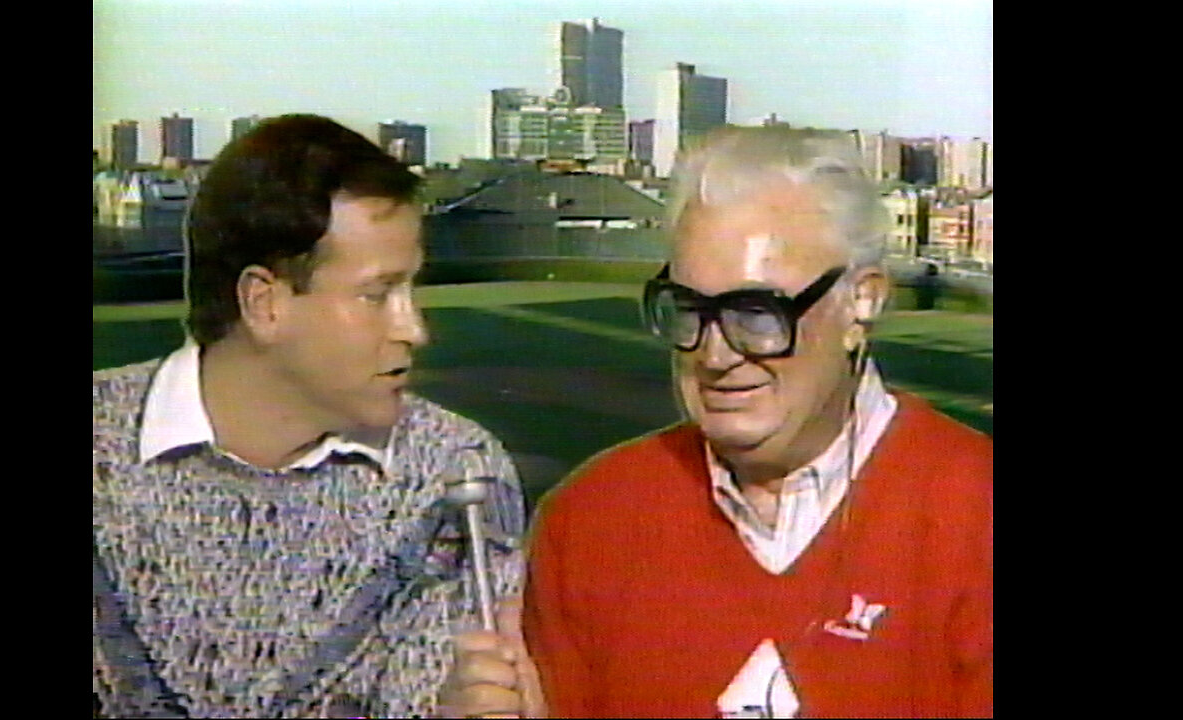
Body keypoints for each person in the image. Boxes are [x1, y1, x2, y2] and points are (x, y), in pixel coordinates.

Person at [443, 127, 992, 718]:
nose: (715, 355)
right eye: (689, 311)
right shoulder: (589, 520)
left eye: (757, 313)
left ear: (861, 302)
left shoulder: (975, 514)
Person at [93, 114, 526, 719]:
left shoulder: (456, 477)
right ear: (264, 303)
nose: (415, 330)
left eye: (411, 292)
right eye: (377, 295)